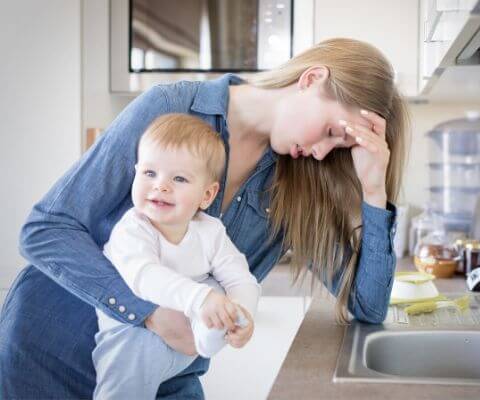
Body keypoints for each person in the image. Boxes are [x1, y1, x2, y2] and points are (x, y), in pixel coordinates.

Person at [0, 38, 409, 399]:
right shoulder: (171, 108)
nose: (323, 152)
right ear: (312, 79)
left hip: (166, 380)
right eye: (331, 131)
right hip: (48, 356)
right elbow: (46, 230)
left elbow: (367, 307)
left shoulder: (301, 183)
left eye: (338, 146)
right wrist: (149, 314)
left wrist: (374, 192)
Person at [93, 113, 260, 399]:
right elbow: (143, 277)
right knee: (123, 389)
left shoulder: (210, 231)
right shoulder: (133, 229)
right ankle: (206, 327)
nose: (161, 185)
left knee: (218, 287)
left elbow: (241, 278)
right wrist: (200, 300)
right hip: (132, 336)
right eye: (149, 173)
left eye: (179, 178)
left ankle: (211, 332)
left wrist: (243, 314)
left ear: (207, 195)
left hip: (186, 337)